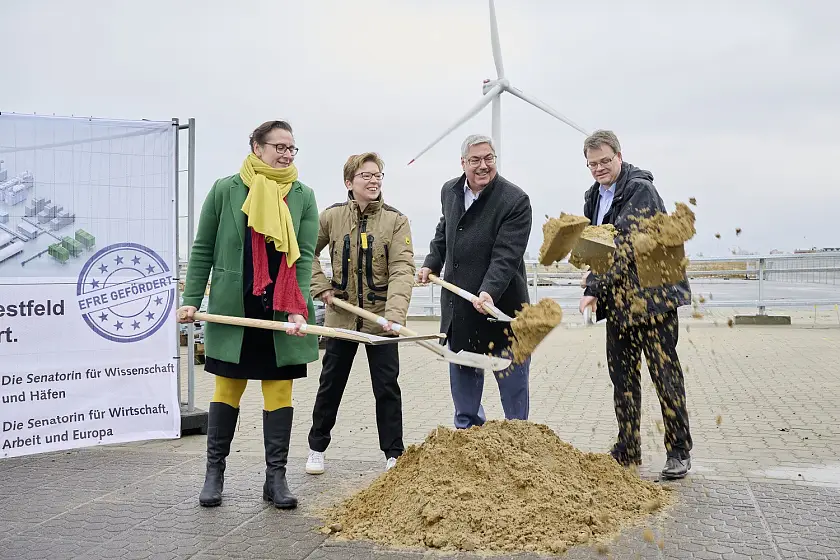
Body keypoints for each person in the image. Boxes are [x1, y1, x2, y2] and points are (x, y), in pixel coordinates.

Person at [177, 120, 320, 508]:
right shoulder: (225, 189)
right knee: (227, 389)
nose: (287, 154)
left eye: (292, 148)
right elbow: (203, 247)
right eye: (279, 147)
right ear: (257, 147)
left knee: (279, 390)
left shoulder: (303, 195)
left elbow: (305, 256)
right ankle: (214, 474)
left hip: (280, 311)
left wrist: (296, 308)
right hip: (233, 308)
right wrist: (192, 299)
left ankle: (276, 480)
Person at [578, 129, 693, 479]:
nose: (599, 168)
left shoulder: (640, 189)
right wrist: (588, 268)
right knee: (623, 378)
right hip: (620, 300)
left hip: (654, 299)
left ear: (619, 155)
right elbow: (596, 242)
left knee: (664, 374)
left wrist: (594, 285)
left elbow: (625, 243)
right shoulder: (592, 196)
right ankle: (628, 447)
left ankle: (679, 451)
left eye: (605, 161)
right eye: (592, 164)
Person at [306, 152, 415, 474]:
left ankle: (394, 454)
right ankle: (316, 448)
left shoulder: (396, 220)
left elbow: (402, 268)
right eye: (366, 175)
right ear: (349, 182)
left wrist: (395, 314)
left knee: (387, 386)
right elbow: (305, 252)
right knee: (330, 384)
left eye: (377, 175)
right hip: (341, 317)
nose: (373, 180)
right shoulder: (331, 217)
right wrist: (321, 288)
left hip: (381, 320)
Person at [418, 134, 532, 429]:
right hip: (461, 311)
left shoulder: (515, 200)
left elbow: (506, 256)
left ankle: (519, 441)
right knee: (465, 396)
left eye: (489, 158)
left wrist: (489, 291)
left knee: (514, 392)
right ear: (463, 163)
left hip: (501, 311)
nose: (483, 165)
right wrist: (432, 262)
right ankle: (467, 438)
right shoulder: (450, 191)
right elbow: (444, 231)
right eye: (475, 160)